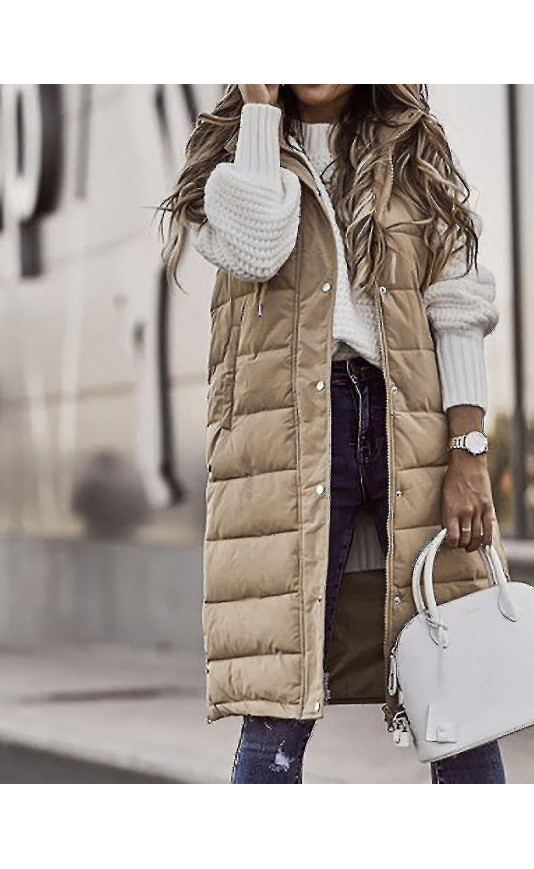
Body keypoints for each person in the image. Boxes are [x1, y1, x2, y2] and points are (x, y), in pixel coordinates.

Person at [159, 84, 507, 784]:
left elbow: (458, 306)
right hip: (289, 432)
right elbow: (258, 250)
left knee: (458, 679)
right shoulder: (230, 162)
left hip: (408, 418)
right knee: (280, 686)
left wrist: (469, 447)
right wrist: (260, 114)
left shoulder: (415, 155)